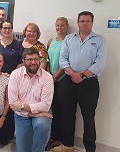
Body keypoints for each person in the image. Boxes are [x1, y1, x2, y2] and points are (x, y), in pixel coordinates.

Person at [54, 11, 107, 152]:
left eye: (87, 21)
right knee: (67, 115)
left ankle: (90, 148)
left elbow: (99, 63)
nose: (84, 23)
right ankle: (68, 145)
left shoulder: (100, 40)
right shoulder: (69, 39)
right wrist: (73, 75)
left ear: (92, 23)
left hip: (89, 83)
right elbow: (63, 60)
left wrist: (82, 76)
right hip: (68, 81)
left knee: (88, 117)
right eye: (82, 21)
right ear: (77, 23)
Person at [8, 48, 54, 152]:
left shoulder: (47, 77)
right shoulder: (15, 75)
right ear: (23, 61)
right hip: (22, 115)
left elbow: (45, 105)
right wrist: (35, 114)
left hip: (41, 112)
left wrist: (23, 107)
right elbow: (13, 105)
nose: (33, 62)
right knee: (23, 150)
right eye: (29, 59)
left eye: (36, 59)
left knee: (42, 125)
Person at [46, 17, 69, 147]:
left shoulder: (69, 41)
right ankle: (52, 135)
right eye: (57, 25)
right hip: (51, 79)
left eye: (62, 25)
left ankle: (60, 137)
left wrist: (55, 76)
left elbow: (67, 61)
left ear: (67, 26)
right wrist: (49, 75)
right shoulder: (51, 41)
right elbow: (48, 59)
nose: (59, 28)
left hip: (62, 79)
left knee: (61, 110)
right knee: (52, 108)